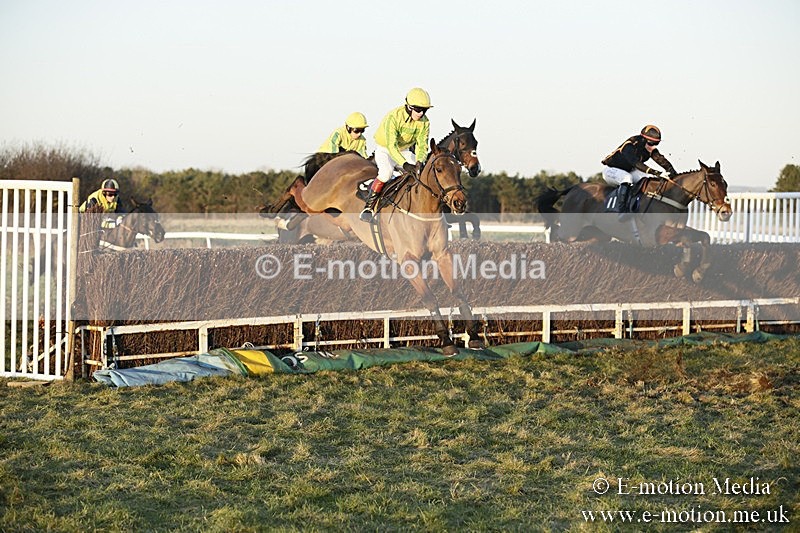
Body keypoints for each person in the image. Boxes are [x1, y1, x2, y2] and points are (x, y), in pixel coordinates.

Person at [360, 88, 432, 222]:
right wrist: (404, 164)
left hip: (404, 151)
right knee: (386, 173)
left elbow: (422, 145)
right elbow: (392, 146)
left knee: (420, 172)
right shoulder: (393, 117)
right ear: (409, 107)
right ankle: (369, 207)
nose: (421, 113)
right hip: (385, 149)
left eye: (424, 110)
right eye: (418, 109)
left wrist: (419, 161)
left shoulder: (425, 122)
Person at [602, 125, 678, 221]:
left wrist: (674, 173)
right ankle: (622, 211)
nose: (653, 147)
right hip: (611, 170)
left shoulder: (648, 148)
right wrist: (656, 172)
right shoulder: (630, 145)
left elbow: (661, 160)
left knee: (648, 178)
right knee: (627, 178)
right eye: (651, 143)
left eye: (656, 144)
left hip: (629, 170)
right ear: (643, 140)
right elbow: (636, 163)